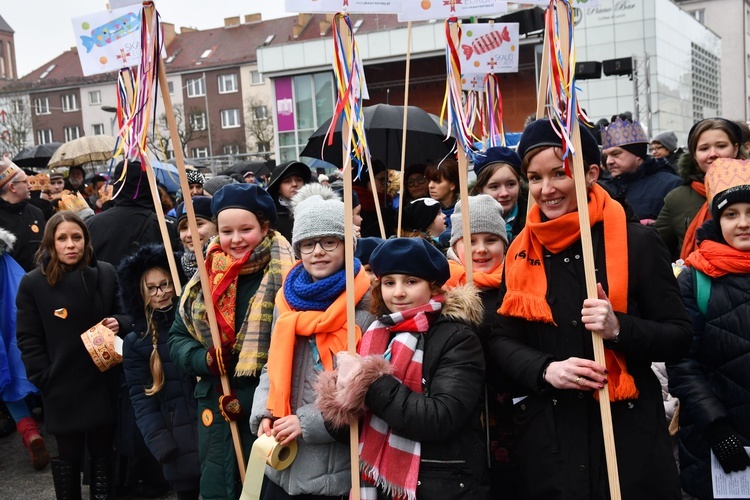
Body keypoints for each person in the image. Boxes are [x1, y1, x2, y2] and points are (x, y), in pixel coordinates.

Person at [487, 119, 693, 499]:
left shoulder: (638, 242)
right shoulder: (520, 250)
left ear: (590, 173)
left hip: (627, 441)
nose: (546, 190)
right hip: (551, 443)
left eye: (558, 174)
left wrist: (619, 329)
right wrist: (546, 368)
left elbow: (678, 336)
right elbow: (501, 340)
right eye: (534, 178)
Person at [316, 237, 489, 499]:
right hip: (377, 487)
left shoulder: (458, 338)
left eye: (411, 281)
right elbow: (348, 433)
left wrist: (367, 381)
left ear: (432, 287)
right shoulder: (377, 333)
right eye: (389, 282)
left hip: (440, 486)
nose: (398, 292)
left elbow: (440, 418)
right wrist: (339, 396)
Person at [169, 183, 296, 500]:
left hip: (264, 410)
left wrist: (252, 396)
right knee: (219, 488)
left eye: (246, 229)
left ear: (264, 226)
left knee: (259, 489)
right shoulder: (205, 274)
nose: (236, 239)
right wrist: (205, 360)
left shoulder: (286, 273)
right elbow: (177, 338)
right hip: (214, 406)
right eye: (227, 231)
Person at [250, 183, 375, 499]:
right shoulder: (286, 301)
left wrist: (306, 423)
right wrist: (266, 411)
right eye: (307, 244)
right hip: (281, 461)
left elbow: (367, 391)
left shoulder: (367, 306)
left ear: (348, 245)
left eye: (329, 241)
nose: (317, 251)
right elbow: (272, 365)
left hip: (334, 469)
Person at [16, 211, 128, 499]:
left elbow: (125, 312)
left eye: (76, 237)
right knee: (69, 456)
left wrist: (121, 322)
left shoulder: (105, 272)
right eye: (62, 238)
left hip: (103, 379)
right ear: (51, 243)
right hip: (62, 386)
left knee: (103, 453)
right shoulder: (33, 283)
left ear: (86, 240)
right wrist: (44, 376)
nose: (71, 245)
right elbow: (28, 337)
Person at [667, 157, 750, 499]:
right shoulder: (696, 278)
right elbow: (682, 363)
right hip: (713, 440)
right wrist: (717, 428)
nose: (743, 223)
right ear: (717, 220)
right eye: (732, 214)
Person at [444, 194, 514, 498]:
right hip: (462, 416)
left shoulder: (519, 287)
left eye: (490, 239)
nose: (481, 249)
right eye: (470, 240)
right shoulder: (441, 291)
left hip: (512, 413)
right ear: (455, 245)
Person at [119, 244, 200, 500]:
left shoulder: (196, 324)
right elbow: (141, 398)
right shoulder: (137, 342)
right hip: (176, 442)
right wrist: (160, 442)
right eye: (151, 288)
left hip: (210, 431)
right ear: (140, 293)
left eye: (166, 284)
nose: (161, 293)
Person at [655, 118, 744, 261]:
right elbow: (655, 249)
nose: (713, 154)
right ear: (694, 155)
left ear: (735, 149)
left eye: (721, 146)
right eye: (704, 148)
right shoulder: (677, 199)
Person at [0, 227, 49, 471]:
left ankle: (28, 429)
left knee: (4, 375)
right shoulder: (5, 260)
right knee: (22, 358)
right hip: (15, 320)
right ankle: (55, 424)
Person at [87, 160, 181, 268]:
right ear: (151, 186)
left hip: (104, 284)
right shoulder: (168, 227)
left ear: (117, 186)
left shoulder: (91, 225)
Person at [600, 117, 682, 224]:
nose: (608, 161)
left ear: (638, 155)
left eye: (615, 154)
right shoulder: (603, 189)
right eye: (606, 156)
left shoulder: (671, 185)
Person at [471, 146, 527, 243]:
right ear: (480, 190)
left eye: (511, 184)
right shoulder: (468, 223)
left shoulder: (534, 217)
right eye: (494, 187)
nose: (504, 193)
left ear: (519, 184)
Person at [0, 159, 46, 272]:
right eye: (25, 182)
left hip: (38, 283)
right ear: (12, 187)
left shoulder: (36, 213)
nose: (30, 186)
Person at [266, 161, 311, 242]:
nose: (294, 184)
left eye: (299, 180)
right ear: (279, 189)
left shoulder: (313, 209)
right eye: (287, 181)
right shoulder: (270, 216)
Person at [353, 159, 398, 239]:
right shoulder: (352, 201)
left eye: (386, 180)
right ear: (366, 178)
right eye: (381, 179)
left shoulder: (385, 202)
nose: (385, 185)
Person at [174, 196, 216, 279]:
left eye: (199, 224)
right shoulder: (176, 271)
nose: (189, 234)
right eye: (184, 228)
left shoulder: (235, 263)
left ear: (217, 225)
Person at [426, 158, 459, 247]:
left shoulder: (466, 209)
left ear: (452, 185)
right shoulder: (426, 210)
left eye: (437, 181)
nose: (430, 186)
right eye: (429, 181)